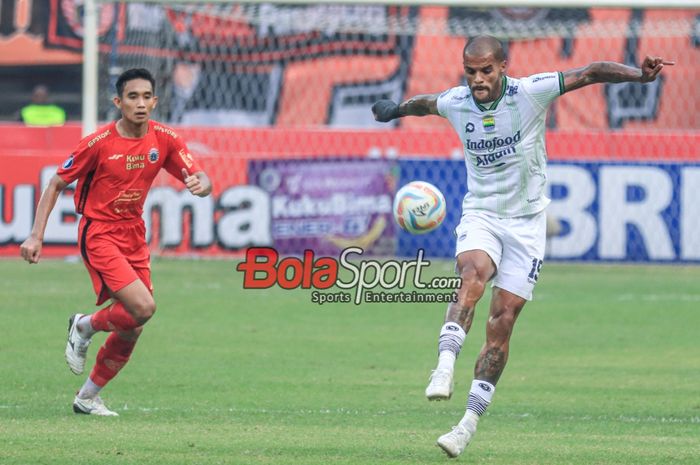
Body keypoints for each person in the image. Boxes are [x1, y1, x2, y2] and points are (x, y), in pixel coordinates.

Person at [371, 36, 673, 458]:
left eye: (486, 70)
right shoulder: (458, 101)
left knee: (503, 320)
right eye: (470, 71)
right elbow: (426, 103)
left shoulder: (531, 92)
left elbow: (589, 72)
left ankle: (466, 426)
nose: (477, 79)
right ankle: (443, 367)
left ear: (503, 67)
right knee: (472, 274)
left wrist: (637, 75)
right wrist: (395, 110)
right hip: (482, 214)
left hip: (527, 224)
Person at [20, 68, 213, 416]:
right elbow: (55, 184)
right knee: (144, 308)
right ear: (118, 102)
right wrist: (36, 235)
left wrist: (203, 184)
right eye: (132, 97)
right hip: (100, 233)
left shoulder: (164, 139)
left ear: (155, 101)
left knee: (133, 324)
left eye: (146, 97)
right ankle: (84, 325)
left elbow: (197, 175)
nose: (140, 104)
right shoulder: (98, 143)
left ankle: (87, 397)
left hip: (134, 233)